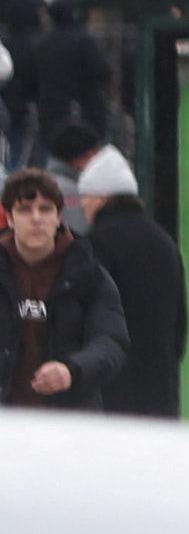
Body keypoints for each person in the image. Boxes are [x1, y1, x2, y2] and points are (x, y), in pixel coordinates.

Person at [3, 168, 127, 410]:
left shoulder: (88, 274)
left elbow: (111, 341)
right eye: (25, 210)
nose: (36, 218)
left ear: (59, 216)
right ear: (9, 218)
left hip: (69, 425)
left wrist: (72, 371)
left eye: (46, 209)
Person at [74, 147, 183, 422]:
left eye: (86, 198)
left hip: (113, 392)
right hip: (161, 387)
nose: (84, 206)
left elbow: (87, 313)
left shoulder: (96, 244)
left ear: (101, 198)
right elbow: (180, 322)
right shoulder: (164, 242)